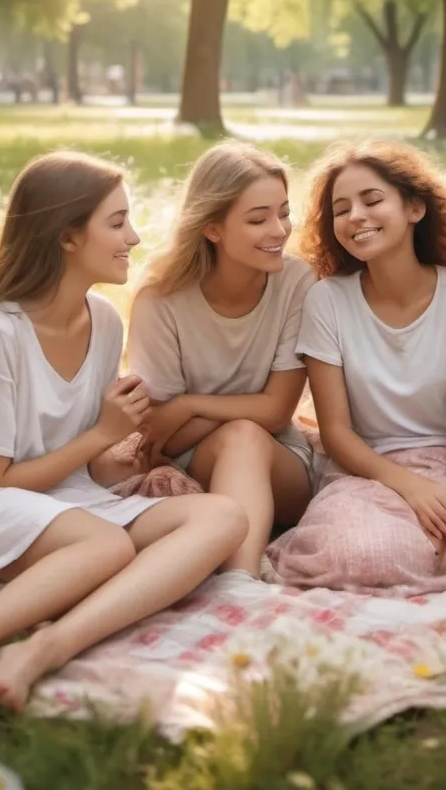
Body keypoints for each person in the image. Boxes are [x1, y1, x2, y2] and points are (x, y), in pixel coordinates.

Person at [0, 151, 247, 711]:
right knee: (106, 545)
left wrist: (124, 454)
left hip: (55, 498)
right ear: (68, 237)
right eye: (117, 222)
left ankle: (48, 645)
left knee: (224, 515)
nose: (135, 237)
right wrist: (101, 434)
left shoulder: (104, 321)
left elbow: (82, 462)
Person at [266, 141, 446, 594]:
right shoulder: (327, 300)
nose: (356, 216)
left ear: (415, 208)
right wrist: (408, 488)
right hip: (363, 470)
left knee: (444, 544)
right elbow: (337, 432)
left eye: (372, 200)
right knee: (357, 554)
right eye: (341, 209)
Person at [125, 141, 317, 577]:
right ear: (212, 228)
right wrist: (233, 413)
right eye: (257, 219)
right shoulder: (160, 298)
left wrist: (191, 404)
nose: (279, 230)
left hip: (281, 461)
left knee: (246, 436)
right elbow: (162, 436)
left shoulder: (296, 281)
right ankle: (241, 578)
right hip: (189, 462)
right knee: (241, 433)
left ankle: (238, 583)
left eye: (283, 213)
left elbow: (276, 411)